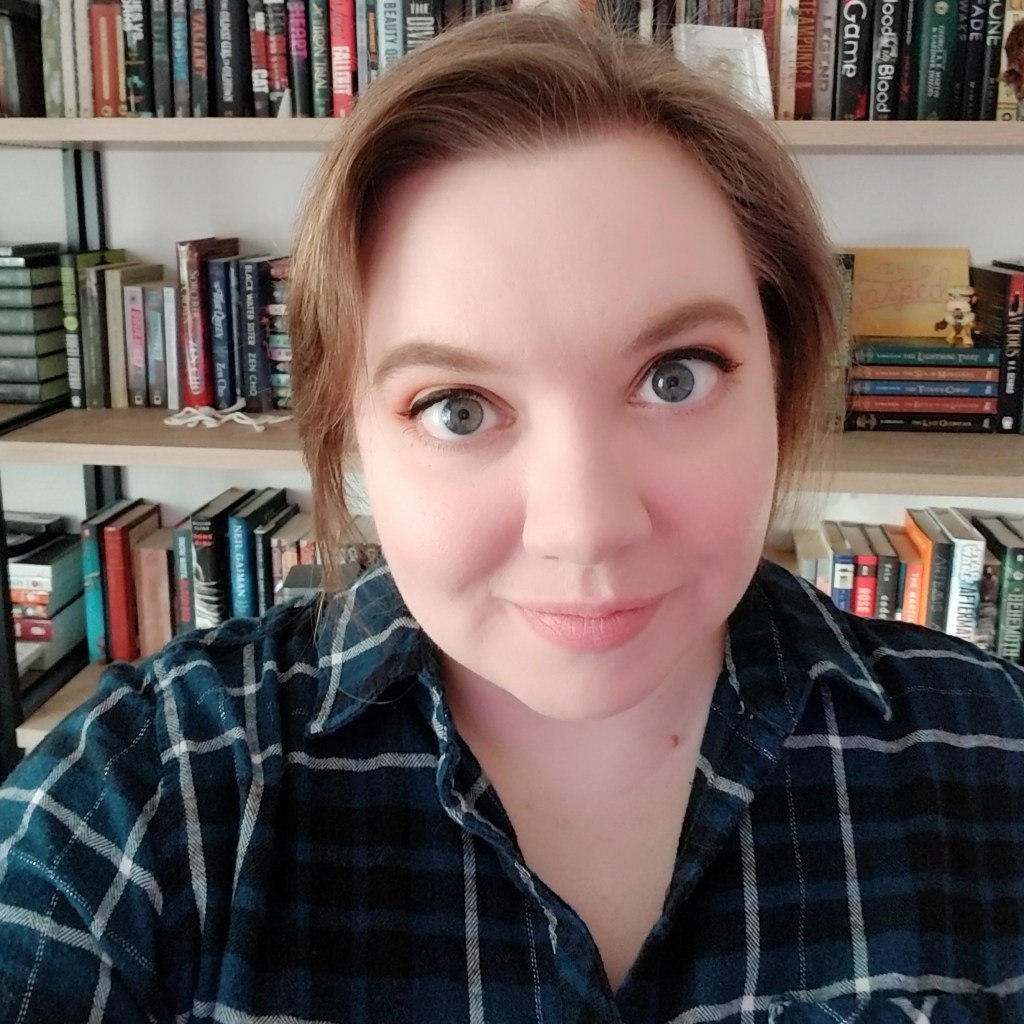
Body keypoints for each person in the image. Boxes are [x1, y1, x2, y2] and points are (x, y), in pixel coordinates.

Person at [2, 10, 1023, 1023]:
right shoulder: (155, 788)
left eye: (674, 377)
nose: (582, 527)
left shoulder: (990, 757)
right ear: (350, 433)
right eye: (457, 408)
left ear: (782, 380)